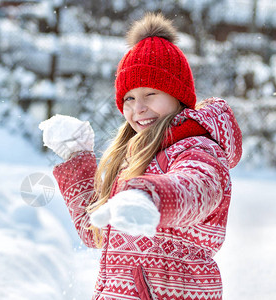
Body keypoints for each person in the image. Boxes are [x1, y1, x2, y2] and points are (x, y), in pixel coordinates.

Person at [39, 12, 242, 300]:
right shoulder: (132, 155)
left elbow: (198, 188)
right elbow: (95, 231)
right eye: (129, 98)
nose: (139, 108)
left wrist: (149, 197)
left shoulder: (196, 148)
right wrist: (77, 157)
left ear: (178, 95)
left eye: (151, 94)